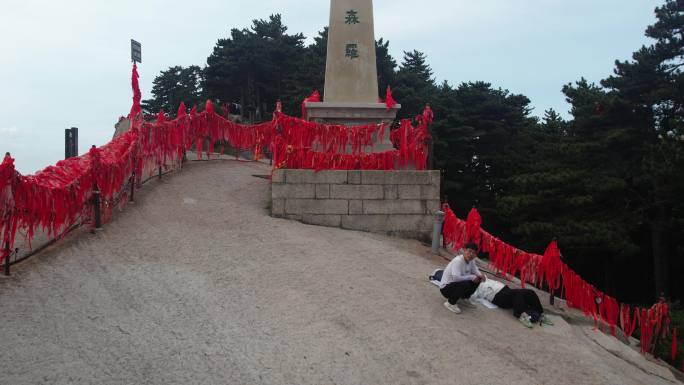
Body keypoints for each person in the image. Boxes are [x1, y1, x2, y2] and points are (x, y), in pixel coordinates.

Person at [471, 278, 554, 328]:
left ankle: (540, 313)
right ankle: (522, 315)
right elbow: (472, 296)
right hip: (497, 297)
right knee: (517, 293)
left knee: (530, 292)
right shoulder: (475, 288)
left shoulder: (484, 278)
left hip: (506, 289)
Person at [438, 242, 486, 314]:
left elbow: (475, 269)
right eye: (469, 251)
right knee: (465, 283)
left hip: (455, 285)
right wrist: (471, 277)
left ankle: (464, 298)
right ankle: (450, 303)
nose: (471, 254)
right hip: (445, 289)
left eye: (474, 253)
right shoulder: (458, 261)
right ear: (464, 250)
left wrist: (481, 276)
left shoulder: (471, 260)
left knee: (477, 279)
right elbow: (456, 278)